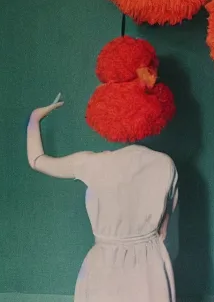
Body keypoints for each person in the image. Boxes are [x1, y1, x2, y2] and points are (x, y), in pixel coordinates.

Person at [27, 95, 179, 302]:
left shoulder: (91, 163)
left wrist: (34, 119)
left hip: (106, 264)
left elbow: (37, 160)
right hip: (151, 266)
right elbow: (163, 232)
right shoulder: (166, 164)